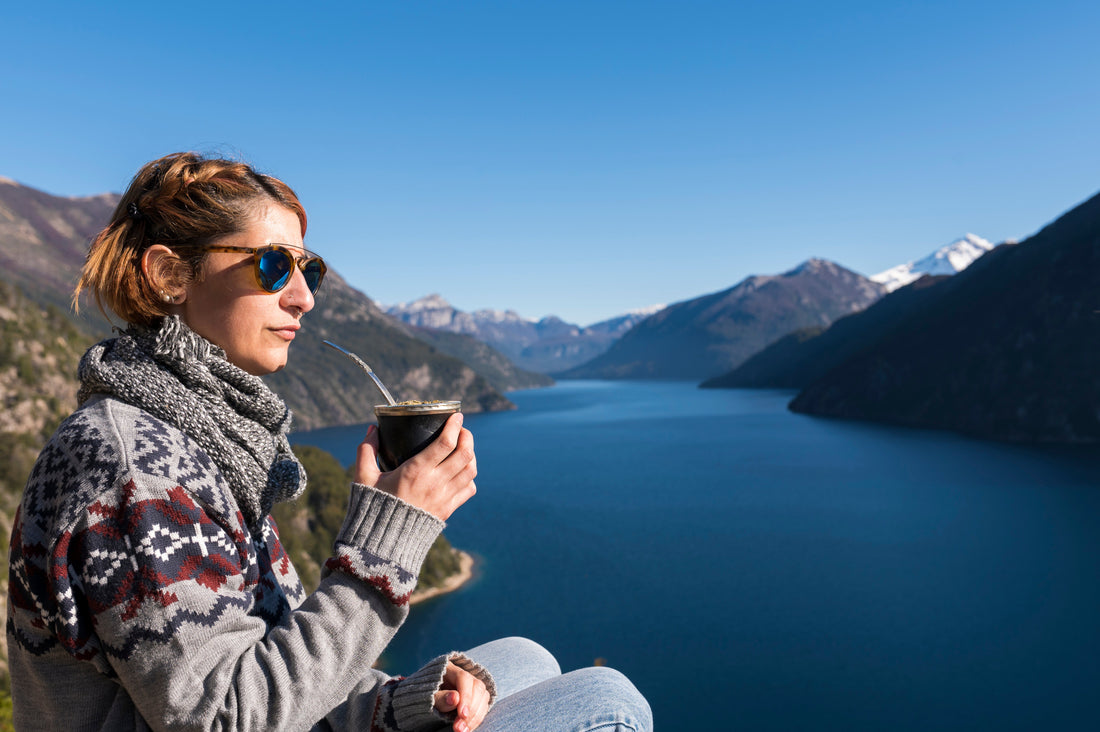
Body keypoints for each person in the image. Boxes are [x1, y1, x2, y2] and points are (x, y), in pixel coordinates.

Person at [6, 152, 652, 732]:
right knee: (606, 699)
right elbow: (224, 717)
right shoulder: (134, 463)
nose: (304, 296)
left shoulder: (201, 434)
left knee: (522, 659)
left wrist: (403, 703)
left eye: (308, 268)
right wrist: (383, 550)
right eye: (272, 265)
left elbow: (267, 652)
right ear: (171, 274)